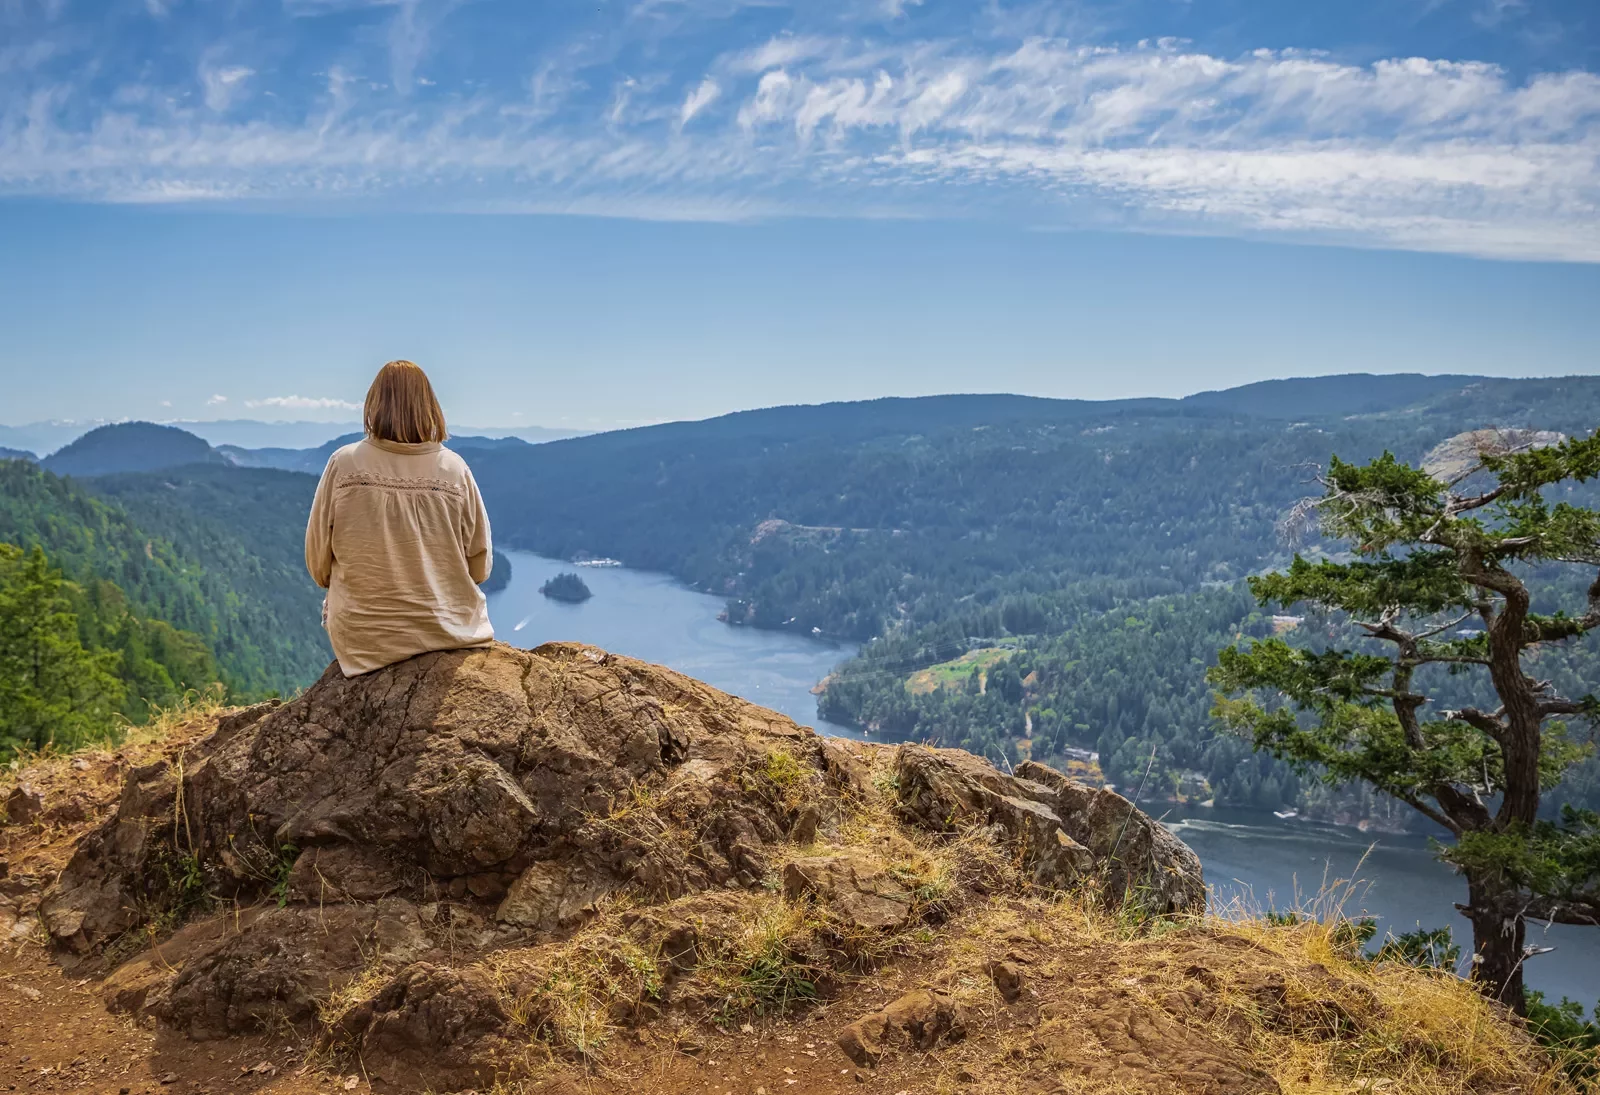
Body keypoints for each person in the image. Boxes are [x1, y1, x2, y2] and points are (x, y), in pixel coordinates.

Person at [304, 360, 495, 676]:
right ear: (430, 407)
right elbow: (479, 564)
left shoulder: (344, 465)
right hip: (447, 630)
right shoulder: (454, 470)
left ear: (373, 405)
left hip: (365, 640)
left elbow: (318, 560)